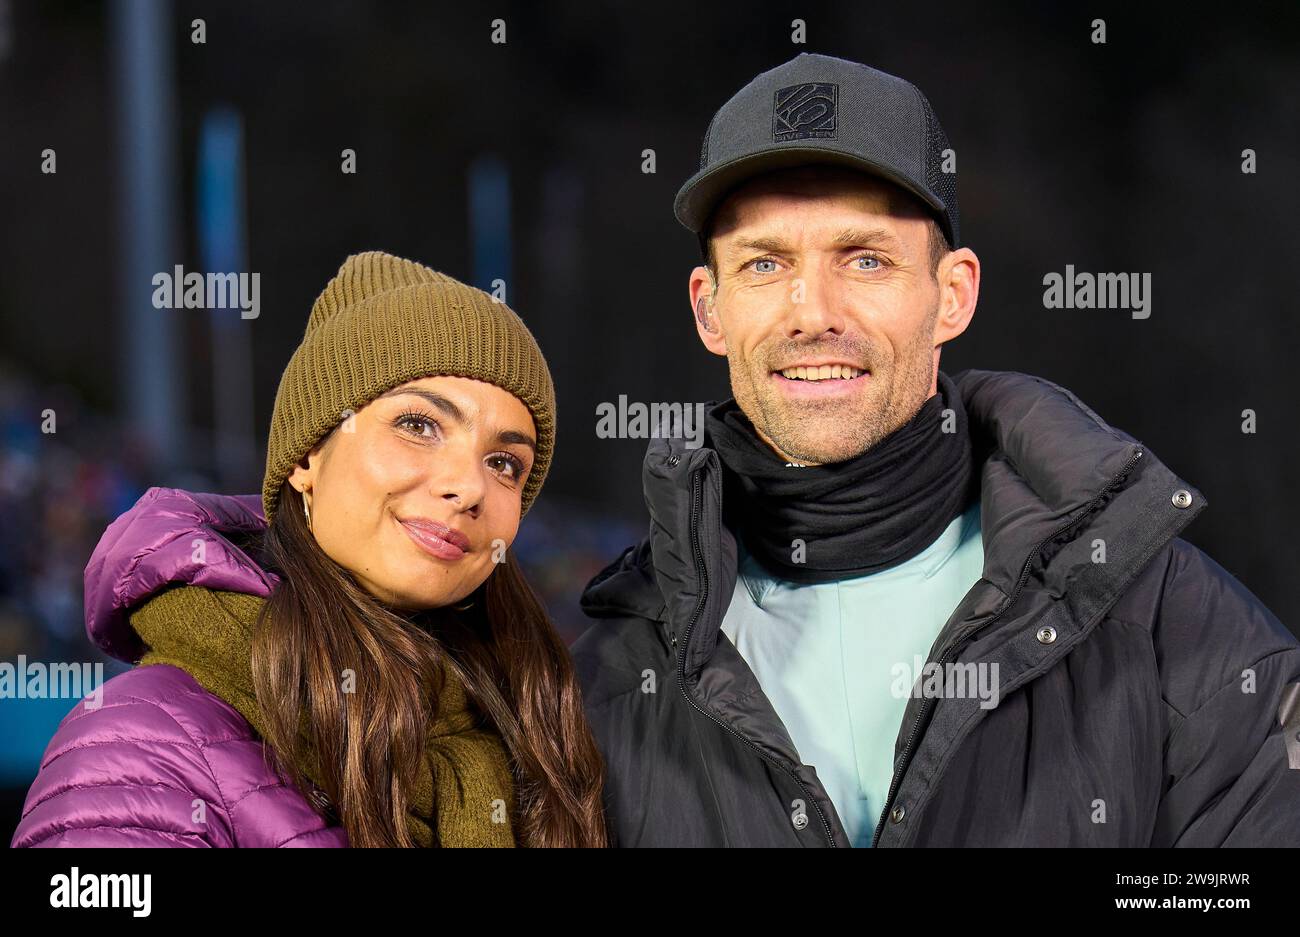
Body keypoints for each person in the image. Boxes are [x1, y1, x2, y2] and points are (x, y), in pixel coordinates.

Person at [571, 53, 1300, 847]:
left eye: (866, 258)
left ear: (953, 294)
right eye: (765, 263)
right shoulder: (604, 679)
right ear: (710, 311)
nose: (811, 311)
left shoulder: (1164, 623)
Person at [12, 251, 607, 847]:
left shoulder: (543, 739)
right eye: (419, 426)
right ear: (305, 457)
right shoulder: (142, 747)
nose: (470, 486)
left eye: (505, 462)